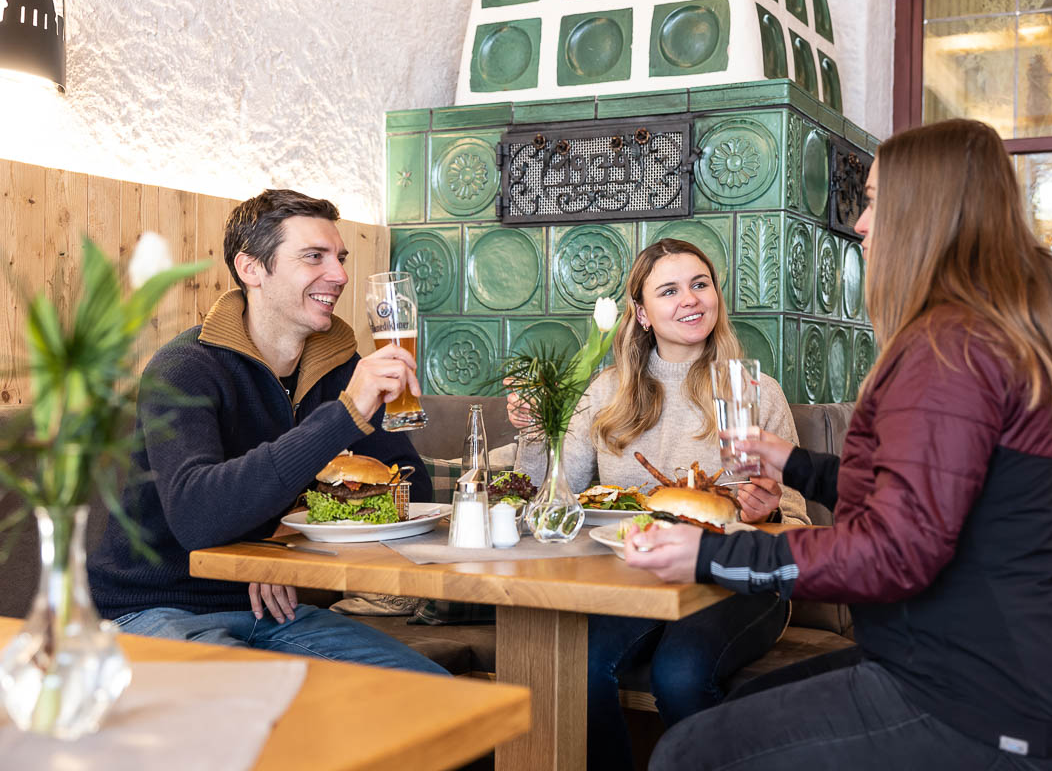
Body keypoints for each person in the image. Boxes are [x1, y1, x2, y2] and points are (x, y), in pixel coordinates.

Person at [627, 120, 1052, 770]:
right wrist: (792, 462)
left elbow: (897, 551)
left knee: (688, 753)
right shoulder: (983, 333)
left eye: (876, 200)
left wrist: (711, 552)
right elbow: (919, 489)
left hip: (980, 702)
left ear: (921, 214)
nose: (860, 224)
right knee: (717, 716)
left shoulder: (949, 350)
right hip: (988, 675)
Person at [88, 189, 446, 675]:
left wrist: (277, 544)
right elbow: (198, 517)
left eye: (339, 258)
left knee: (433, 693)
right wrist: (344, 415)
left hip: (280, 610)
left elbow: (410, 490)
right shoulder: (184, 368)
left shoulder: (341, 367)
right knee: (251, 713)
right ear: (252, 269)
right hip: (156, 607)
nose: (339, 275)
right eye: (313, 257)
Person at [508, 239, 808, 770]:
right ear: (642, 314)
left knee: (681, 673)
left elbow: (797, 518)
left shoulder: (756, 392)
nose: (690, 300)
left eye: (700, 284)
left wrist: (769, 511)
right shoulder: (605, 393)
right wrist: (539, 429)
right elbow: (553, 498)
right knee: (576, 665)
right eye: (669, 291)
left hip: (737, 579)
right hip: (635, 577)